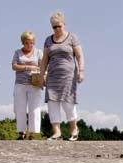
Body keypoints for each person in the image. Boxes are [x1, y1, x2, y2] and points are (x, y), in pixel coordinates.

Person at [40, 12, 85, 141]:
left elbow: (80, 56)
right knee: (52, 103)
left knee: (68, 103)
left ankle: (74, 129)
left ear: (64, 24)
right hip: (52, 76)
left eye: (59, 26)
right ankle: (57, 132)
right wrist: (42, 76)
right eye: (54, 27)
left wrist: (81, 70)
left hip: (68, 76)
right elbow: (44, 60)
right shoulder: (48, 40)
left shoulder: (72, 38)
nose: (57, 29)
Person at [12, 31, 44, 140]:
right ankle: (21, 132)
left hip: (34, 83)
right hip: (20, 83)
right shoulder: (17, 52)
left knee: (34, 109)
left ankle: (33, 133)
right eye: (26, 43)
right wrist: (28, 67)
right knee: (19, 108)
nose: (29, 45)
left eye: (31, 43)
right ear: (23, 42)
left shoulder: (38, 52)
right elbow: (14, 66)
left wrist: (42, 78)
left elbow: (43, 66)